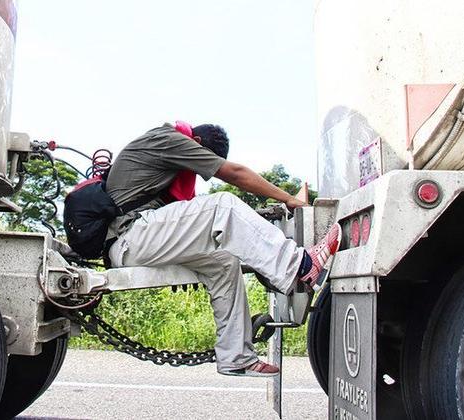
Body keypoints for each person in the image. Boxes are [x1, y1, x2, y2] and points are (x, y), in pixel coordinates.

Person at [105, 122, 342, 377]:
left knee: (224, 263)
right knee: (222, 205)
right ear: (196, 142)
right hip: (130, 235)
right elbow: (235, 174)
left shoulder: (166, 154)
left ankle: (236, 358)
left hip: (141, 238)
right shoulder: (168, 139)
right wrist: (288, 198)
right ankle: (300, 266)